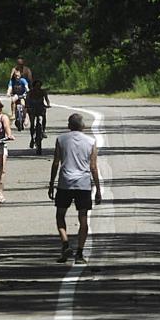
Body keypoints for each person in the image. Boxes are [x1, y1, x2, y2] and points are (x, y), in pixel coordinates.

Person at [48, 113, 102, 264]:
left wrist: (52, 183)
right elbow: (93, 167)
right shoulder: (91, 141)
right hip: (83, 184)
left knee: (60, 215)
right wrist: (97, 189)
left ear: (69, 125)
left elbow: (55, 163)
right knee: (83, 217)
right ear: (83, 126)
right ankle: (79, 253)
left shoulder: (61, 139)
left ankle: (65, 243)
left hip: (65, 182)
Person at [25, 79, 51, 147]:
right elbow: (27, 100)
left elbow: (47, 99)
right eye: (36, 86)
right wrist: (27, 106)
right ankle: (32, 139)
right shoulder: (30, 92)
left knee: (44, 115)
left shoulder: (43, 92)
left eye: (39, 86)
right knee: (32, 123)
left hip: (40, 107)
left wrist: (48, 104)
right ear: (34, 86)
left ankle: (43, 130)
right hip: (32, 108)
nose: (37, 87)